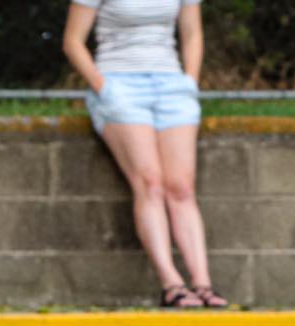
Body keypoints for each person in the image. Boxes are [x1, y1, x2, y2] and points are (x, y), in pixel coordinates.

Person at [64, 0, 227, 308]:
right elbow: (73, 42)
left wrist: (189, 81)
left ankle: (203, 283)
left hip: (171, 86)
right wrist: (103, 86)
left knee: (180, 187)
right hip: (120, 85)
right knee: (150, 181)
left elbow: (192, 34)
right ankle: (172, 284)